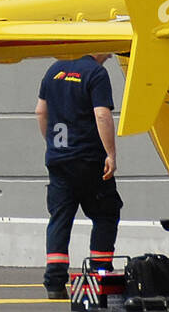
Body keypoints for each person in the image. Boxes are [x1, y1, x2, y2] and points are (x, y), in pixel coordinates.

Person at [35, 52, 122, 299]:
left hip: (59, 160)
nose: (112, 53)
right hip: (88, 159)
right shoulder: (96, 73)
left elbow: (41, 112)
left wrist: (52, 144)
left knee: (60, 218)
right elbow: (102, 114)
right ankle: (100, 271)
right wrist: (111, 154)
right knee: (106, 213)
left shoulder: (54, 70)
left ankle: (54, 281)